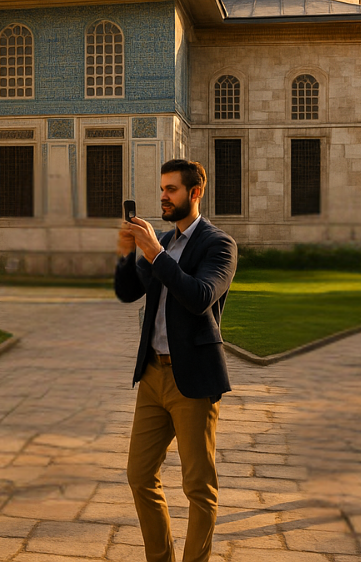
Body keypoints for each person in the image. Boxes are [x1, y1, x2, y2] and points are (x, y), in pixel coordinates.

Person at [115, 158, 237, 562]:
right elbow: (129, 292)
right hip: (152, 375)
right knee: (139, 476)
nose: (163, 197)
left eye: (171, 190)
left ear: (195, 192)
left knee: (198, 487)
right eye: (162, 189)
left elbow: (200, 296)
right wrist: (126, 254)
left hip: (193, 380)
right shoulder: (163, 241)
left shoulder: (219, 245)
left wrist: (155, 253)